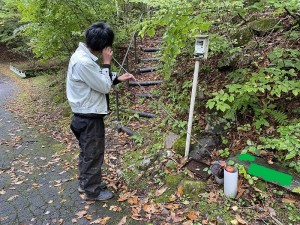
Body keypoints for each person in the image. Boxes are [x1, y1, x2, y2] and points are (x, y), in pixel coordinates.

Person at [66, 22, 134, 201]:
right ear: (103, 45)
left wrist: (117, 78)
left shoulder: (84, 57)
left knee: (87, 153)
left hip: (84, 115)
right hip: (88, 118)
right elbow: (103, 86)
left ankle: (86, 183)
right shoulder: (84, 62)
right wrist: (107, 62)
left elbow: (97, 80)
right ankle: (92, 191)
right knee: (93, 154)